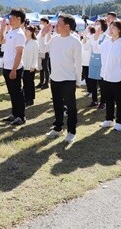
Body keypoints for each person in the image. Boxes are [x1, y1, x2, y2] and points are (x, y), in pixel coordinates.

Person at [41, 15, 82, 143]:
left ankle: (71, 131)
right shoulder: (54, 39)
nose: (55, 26)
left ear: (67, 26)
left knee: (71, 107)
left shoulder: (75, 41)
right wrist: (42, 35)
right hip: (55, 78)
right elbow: (43, 49)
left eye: (59, 23)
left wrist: (78, 80)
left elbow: (78, 63)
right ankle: (58, 128)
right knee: (57, 105)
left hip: (68, 79)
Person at [99, 20, 121, 131]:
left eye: (113, 27)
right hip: (105, 76)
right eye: (110, 27)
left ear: (119, 29)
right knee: (108, 100)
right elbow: (95, 48)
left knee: (119, 102)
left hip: (118, 78)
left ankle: (119, 122)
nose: (111, 29)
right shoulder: (106, 43)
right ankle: (109, 119)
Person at [0, 8, 27, 126]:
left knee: (17, 93)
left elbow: (19, 53)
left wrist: (14, 69)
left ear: (19, 19)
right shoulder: (11, 31)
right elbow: (1, 41)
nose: (10, 20)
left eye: (12, 18)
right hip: (7, 66)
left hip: (14, 68)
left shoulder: (20, 34)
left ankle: (21, 116)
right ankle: (14, 114)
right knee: (12, 92)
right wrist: (2, 29)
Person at [88, 18, 109, 108]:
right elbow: (87, 47)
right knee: (92, 82)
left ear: (102, 26)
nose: (95, 24)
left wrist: (96, 38)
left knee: (102, 83)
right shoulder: (92, 36)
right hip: (92, 60)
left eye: (98, 23)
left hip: (101, 61)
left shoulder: (106, 37)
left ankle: (103, 102)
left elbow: (99, 49)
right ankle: (94, 100)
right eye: (95, 23)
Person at [22, 25, 39, 106]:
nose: (26, 32)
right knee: (25, 82)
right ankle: (25, 97)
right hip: (23, 65)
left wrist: (33, 65)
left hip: (30, 66)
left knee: (30, 83)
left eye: (28, 30)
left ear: (31, 32)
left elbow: (36, 55)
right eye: (25, 30)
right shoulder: (24, 41)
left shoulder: (34, 42)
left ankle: (30, 99)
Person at [37, 17, 51, 89]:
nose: (40, 24)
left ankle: (46, 83)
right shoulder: (41, 31)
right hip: (39, 50)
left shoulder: (48, 30)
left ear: (45, 23)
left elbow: (48, 40)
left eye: (41, 22)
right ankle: (41, 82)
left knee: (45, 67)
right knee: (41, 67)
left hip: (45, 51)